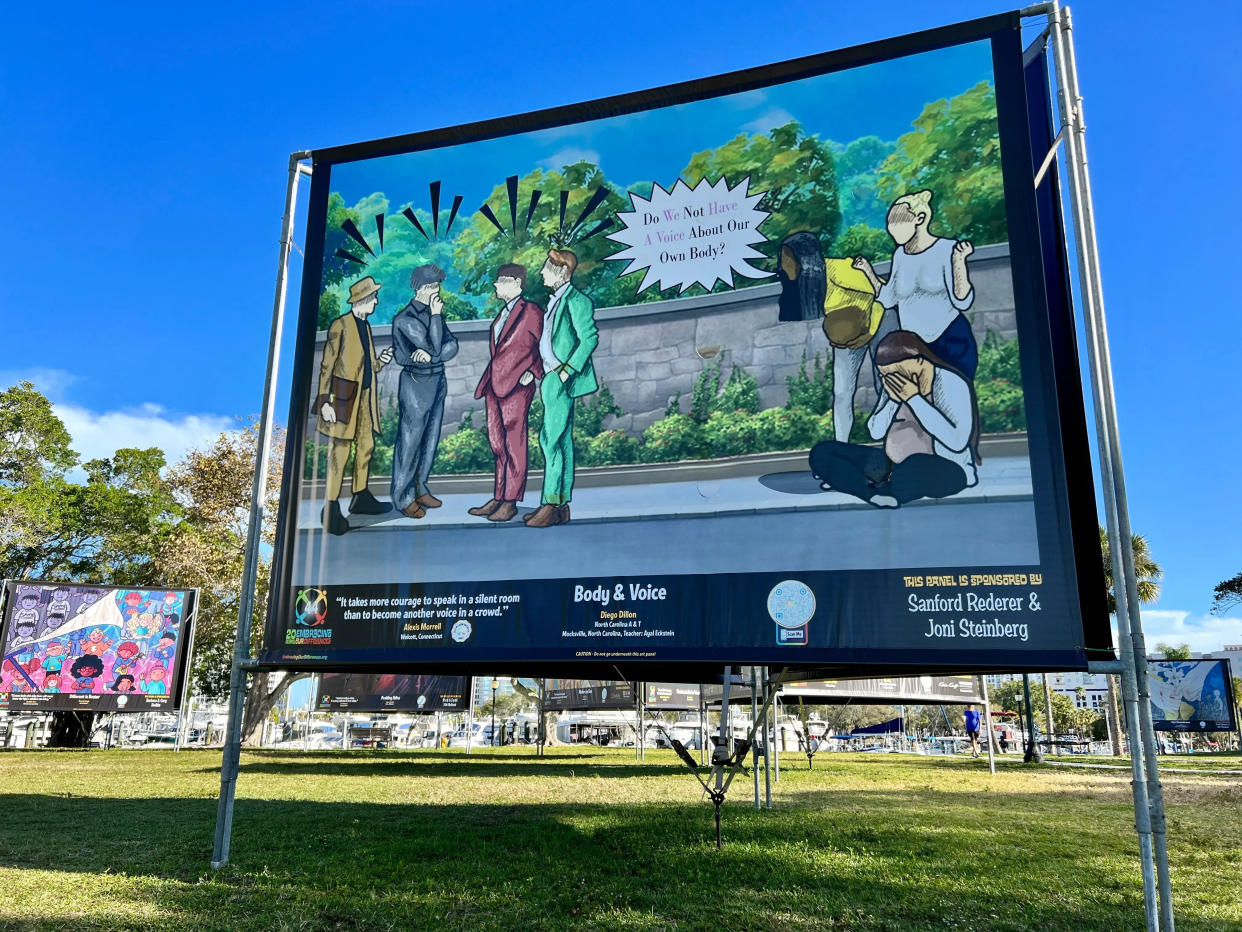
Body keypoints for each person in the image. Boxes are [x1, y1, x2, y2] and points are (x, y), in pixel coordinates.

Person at [808, 330, 980, 508]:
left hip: (943, 469)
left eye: (897, 373)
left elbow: (957, 442)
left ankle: (879, 489)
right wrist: (892, 400)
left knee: (914, 464)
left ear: (920, 361)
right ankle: (874, 495)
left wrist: (914, 398)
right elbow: (876, 432)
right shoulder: (892, 386)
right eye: (884, 375)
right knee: (823, 452)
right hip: (889, 467)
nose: (891, 380)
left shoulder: (951, 383)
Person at [851, 190, 978, 378]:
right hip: (913, 348)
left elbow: (962, 301)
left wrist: (959, 261)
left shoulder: (947, 249)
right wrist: (868, 271)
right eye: (890, 223)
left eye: (898, 222)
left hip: (951, 340)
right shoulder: (900, 255)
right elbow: (888, 299)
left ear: (919, 219)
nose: (892, 228)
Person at [317, 275, 395, 535]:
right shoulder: (341, 325)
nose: (376, 302)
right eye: (373, 298)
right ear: (363, 300)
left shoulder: (366, 326)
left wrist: (381, 361)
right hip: (342, 396)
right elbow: (327, 365)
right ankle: (330, 506)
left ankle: (360, 496)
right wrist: (324, 401)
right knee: (340, 453)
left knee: (366, 447)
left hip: (364, 398)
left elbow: (366, 367)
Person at [525, 248, 598, 528]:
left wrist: (568, 370)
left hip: (560, 377)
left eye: (546, 267)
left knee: (550, 439)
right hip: (551, 376)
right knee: (561, 440)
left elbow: (589, 338)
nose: (542, 272)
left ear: (560, 271)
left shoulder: (576, 301)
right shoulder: (554, 301)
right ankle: (560, 504)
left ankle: (550, 504)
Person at [469, 263, 544, 523]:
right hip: (494, 386)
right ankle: (499, 496)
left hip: (516, 387)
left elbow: (542, 345)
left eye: (501, 281)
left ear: (516, 283)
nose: (495, 286)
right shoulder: (502, 314)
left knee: (514, 443)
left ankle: (510, 501)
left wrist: (533, 371)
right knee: (497, 444)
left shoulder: (532, 311)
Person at [390, 264, 460, 519]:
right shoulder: (406, 318)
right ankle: (403, 497)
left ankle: (420, 489)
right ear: (419, 288)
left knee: (430, 440)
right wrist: (435, 318)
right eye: (432, 286)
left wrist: (433, 356)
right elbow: (432, 342)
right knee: (410, 441)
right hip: (415, 384)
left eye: (437, 285)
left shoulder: (435, 315)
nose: (436, 290)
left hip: (437, 380)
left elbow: (451, 345)